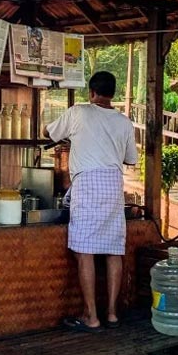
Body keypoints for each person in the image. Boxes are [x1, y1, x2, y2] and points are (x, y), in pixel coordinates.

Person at [44, 70, 138, 332]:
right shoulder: (124, 122)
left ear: (92, 93)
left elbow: (48, 132)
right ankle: (111, 314)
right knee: (113, 250)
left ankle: (91, 316)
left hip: (87, 184)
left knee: (84, 250)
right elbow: (130, 159)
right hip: (113, 185)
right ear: (113, 94)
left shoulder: (79, 112)